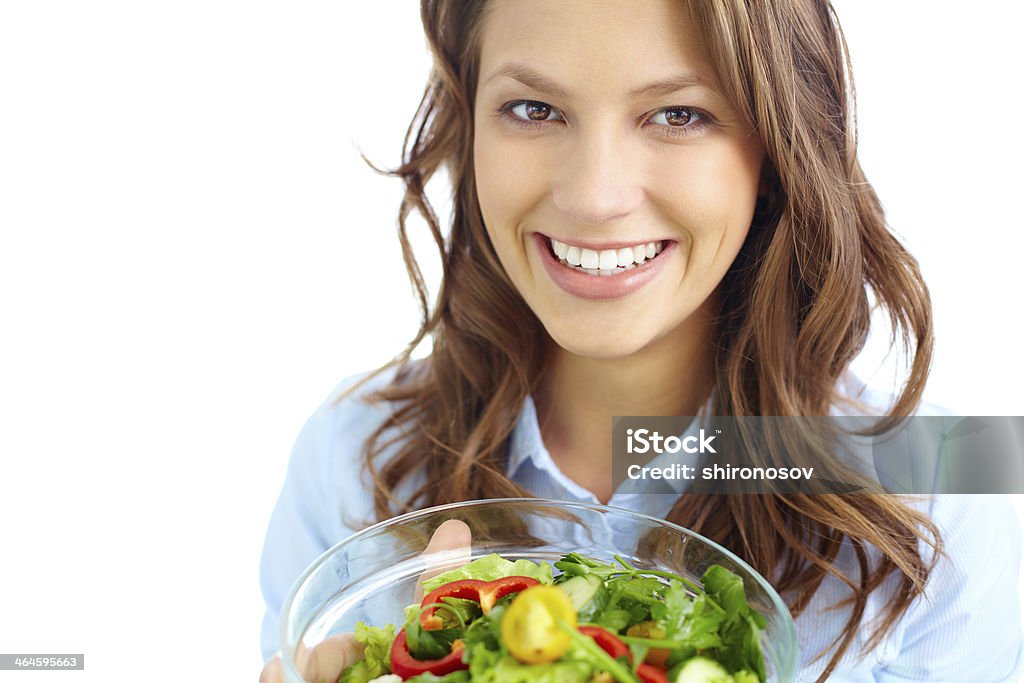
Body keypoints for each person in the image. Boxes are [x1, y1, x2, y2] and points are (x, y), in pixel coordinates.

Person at [259, 1, 1024, 681]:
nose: (594, 197)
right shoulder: (350, 458)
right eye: (533, 108)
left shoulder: (953, 498)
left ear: (778, 145)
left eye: (679, 114)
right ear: (467, 123)